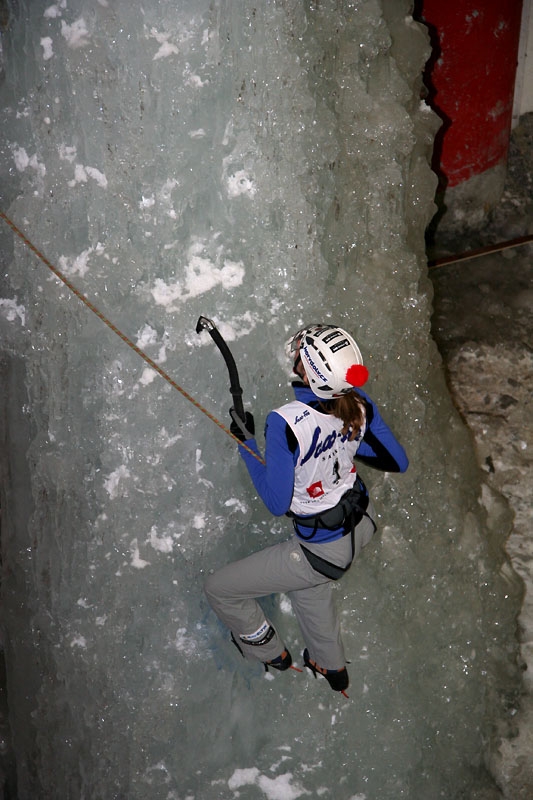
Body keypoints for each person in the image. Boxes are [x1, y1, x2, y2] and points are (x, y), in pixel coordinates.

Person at [204, 323, 408, 695]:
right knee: (308, 586)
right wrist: (343, 442)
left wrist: (246, 444)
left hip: (321, 548)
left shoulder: (284, 423)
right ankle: (331, 668)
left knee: (220, 589)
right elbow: (397, 460)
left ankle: (268, 652)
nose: (294, 353)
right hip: (361, 525)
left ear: (309, 370)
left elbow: (277, 502)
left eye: (300, 352)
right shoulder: (359, 403)